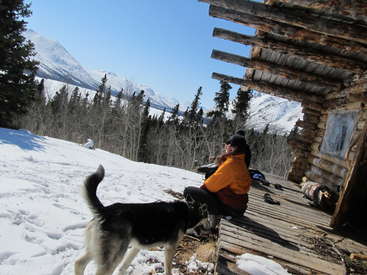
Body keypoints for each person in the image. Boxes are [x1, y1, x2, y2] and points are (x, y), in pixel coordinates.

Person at [184, 133, 252, 233]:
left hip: (230, 208)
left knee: (190, 192)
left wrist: (200, 195)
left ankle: (205, 226)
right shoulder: (240, 161)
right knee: (204, 194)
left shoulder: (231, 164)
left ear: (232, 148)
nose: (226, 146)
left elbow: (209, 186)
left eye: (228, 144)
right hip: (237, 206)